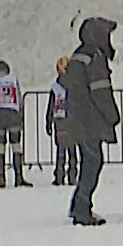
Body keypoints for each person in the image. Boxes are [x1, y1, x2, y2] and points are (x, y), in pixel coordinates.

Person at [59, 17, 120, 227]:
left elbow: (67, 82)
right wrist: (112, 115)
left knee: (89, 161)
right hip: (90, 119)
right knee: (93, 162)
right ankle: (82, 208)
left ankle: (80, 205)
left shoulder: (78, 55)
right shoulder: (94, 57)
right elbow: (100, 90)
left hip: (77, 117)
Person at [0, 59, 31, 188]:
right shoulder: (13, 80)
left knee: (0, 147)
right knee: (16, 146)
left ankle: (1, 178)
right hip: (13, 114)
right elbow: (19, 98)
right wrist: (21, 116)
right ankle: (19, 177)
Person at [48, 57, 78, 186]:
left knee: (61, 149)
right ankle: (72, 175)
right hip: (71, 119)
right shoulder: (76, 85)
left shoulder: (55, 87)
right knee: (72, 149)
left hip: (59, 119)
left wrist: (48, 122)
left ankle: (59, 176)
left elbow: (50, 106)